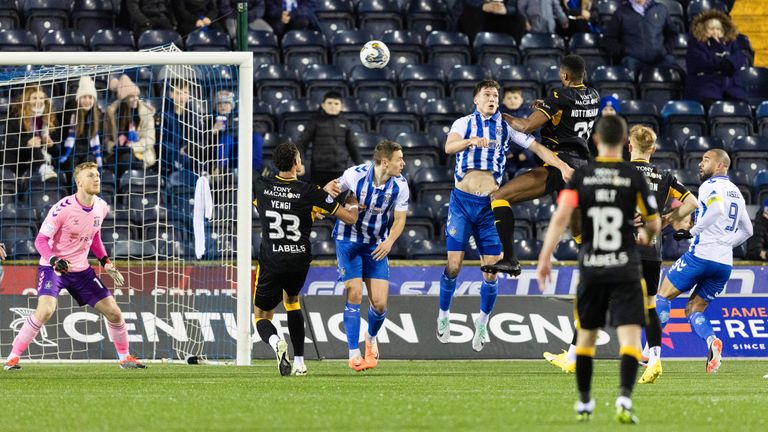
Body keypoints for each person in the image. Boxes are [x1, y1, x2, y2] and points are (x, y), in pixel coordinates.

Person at [543, 125, 698, 384]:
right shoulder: (664, 176)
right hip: (652, 252)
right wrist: (666, 219)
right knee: (649, 305)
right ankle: (655, 359)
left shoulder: (620, 172)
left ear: (629, 147)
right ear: (653, 149)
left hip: (621, 249)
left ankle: (572, 358)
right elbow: (692, 203)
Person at [536, 115, 660, 424]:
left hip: (592, 267)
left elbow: (562, 217)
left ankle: (585, 402)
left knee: (587, 339)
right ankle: (624, 398)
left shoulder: (582, 175)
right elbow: (654, 221)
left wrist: (545, 256)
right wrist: (648, 235)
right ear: (623, 143)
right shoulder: (634, 177)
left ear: (595, 141)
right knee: (630, 339)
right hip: (626, 267)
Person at [436, 79, 573, 351]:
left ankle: (483, 322)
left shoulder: (505, 126)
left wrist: (561, 165)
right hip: (462, 202)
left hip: (489, 206)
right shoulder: (463, 124)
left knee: (491, 270)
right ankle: (443, 315)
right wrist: (470, 141)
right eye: (487, 94)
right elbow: (448, 147)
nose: (492, 98)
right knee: (454, 266)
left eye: (495, 95)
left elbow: (537, 147)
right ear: (475, 99)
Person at [4, 162, 145, 371]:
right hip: (54, 268)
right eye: (90, 175)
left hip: (81, 270)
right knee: (45, 311)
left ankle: (125, 358)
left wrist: (105, 262)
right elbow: (41, 240)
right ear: (79, 182)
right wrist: (53, 260)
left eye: (97, 175)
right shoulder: (62, 208)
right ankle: (12, 358)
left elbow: (94, 235)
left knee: (114, 313)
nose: (97, 179)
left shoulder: (101, 206)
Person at [482, 55, 598, 275]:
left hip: (560, 164)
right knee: (578, 227)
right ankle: (595, 273)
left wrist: (500, 114)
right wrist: (546, 106)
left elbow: (524, 126)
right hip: (582, 167)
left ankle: (510, 259)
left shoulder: (560, 94)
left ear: (564, 75)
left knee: (499, 197)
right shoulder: (594, 95)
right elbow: (571, 110)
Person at [252, 142, 358, 376]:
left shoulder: (261, 186)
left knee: (260, 316)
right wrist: (352, 199)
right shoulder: (310, 192)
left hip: (272, 258)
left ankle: (276, 343)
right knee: (292, 301)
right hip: (299, 260)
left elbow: (283, 205)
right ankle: (300, 363)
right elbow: (349, 218)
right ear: (297, 163)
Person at [655, 149, 753, 374]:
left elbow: (716, 209)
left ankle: (649, 352)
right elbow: (747, 230)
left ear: (720, 165)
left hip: (700, 256)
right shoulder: (736, 191)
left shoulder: (710, 185)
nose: (700, 164)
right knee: (692, 309)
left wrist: (693, 231)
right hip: (723, 264)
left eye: (706, 160)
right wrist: (726, 243)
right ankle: (711, 341)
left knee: (663, 296)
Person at [329, 140, 408, 372]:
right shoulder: (355, 175)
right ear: (385, 162)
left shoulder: (400, 186)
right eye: (399, 159)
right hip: (348, 240)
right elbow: (331, 189)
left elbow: (400, 219)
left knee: (381, 305)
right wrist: (331, 206)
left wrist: (390, 241)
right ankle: (353, 353)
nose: (403, 163)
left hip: (376, 244)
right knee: (354, 293)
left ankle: (370, 339)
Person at [296, 91, 362, 188]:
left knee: (338, 201)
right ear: (323, 105)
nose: (333, 106)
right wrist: (300, 163)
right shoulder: (315, 121)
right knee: (318, 200)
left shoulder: (346, 123)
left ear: (341, 106)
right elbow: (302, 143)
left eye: (336, 103)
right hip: (318, 170)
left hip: (340, 170)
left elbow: (353, 148)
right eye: (330, 103)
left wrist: (362, 167)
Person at [685, 9, 748, 109]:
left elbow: (741, 56)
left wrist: (729, 62)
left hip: (730, 87)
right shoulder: (695, 44)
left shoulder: (730, 42)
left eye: (718, 29)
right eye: (711, 29)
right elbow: (702, 62)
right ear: (703, 30)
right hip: (705, 87)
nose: (715, 32)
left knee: (742, 106)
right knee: (713, 106)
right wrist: (719, 51)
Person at [601, 0, 680, 75]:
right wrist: (624, 51)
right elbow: (608, 39)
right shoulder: (621, 12)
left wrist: (665, 50)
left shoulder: (661, 9)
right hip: (633, 61)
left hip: (660, 59)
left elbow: (673, 34)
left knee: (673, 67)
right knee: (628, 65)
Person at [104, 75, 157, 177]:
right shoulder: (113, 113)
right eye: (131, 96)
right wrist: (114, 147)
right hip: (118, 153)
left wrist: (131, 147)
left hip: (140, 154)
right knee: (111, 163)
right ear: (124, 99)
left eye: (136, 95)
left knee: (125, 159)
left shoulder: (146, 113)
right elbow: (108, 139)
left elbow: (150, 140)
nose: (135, 99)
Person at [2, 86, 59, 181]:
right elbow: (9, 142)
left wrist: (51, 145)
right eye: (34, 98)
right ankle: (43, 168)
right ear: (27, 99)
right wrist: (27, 143)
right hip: (18, 159)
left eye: (41, 98)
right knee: (33, 139)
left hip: (41, 157)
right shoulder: (15, 114)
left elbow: (57, 150)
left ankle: (44, 168)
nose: (38, 101)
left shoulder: (49, 116)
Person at [58, 76, 103, 181]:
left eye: (90, 97)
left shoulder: (99, 116)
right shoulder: (68, 114)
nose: (87, 101)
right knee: (73, 165)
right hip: (71, 154)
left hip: (88, 154)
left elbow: (100, 141)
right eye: (84, 97)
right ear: (79, 99)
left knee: (90, 163)